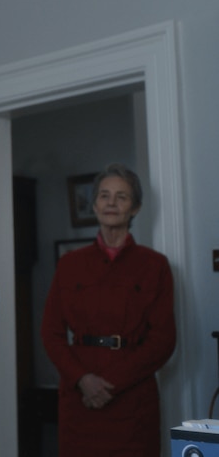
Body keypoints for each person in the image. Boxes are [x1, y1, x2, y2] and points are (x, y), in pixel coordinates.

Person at [41, 163, 176, 457]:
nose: (111, 203)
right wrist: (83, 379)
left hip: (132, 401)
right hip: (79, 399)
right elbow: (50, 333)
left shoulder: (155, 266)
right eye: (104, 195)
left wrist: (111, 384)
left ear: (136, 208)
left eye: (121, 197)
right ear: (94, 204)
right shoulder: (70, 264)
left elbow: (163, 340)